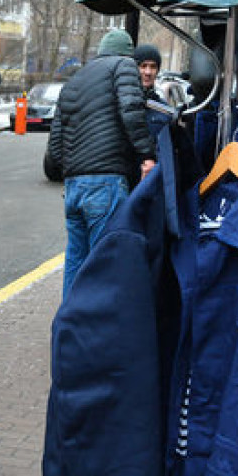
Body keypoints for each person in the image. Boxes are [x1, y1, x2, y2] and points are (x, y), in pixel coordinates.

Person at [47, 29, 156, 295]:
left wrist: (69, 170)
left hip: (74, 184)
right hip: (105, 181)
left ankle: (69, 328)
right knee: (107, 263)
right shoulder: (124, 66)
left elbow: (56, 138)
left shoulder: (76, 78)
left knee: (76, 262)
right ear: (128, 52)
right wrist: (147, 154)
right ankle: (100, 332)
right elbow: (131, 111)